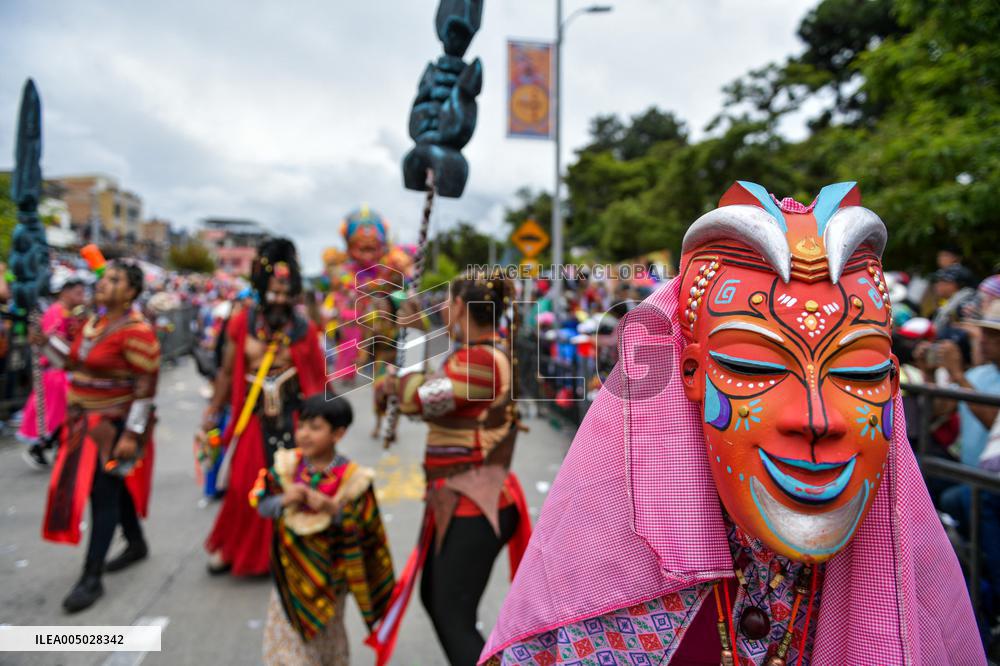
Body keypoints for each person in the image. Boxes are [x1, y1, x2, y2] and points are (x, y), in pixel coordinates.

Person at [481, 181, 981, 665]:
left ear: (891, 384)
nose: (815, 419)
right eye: (754, 368)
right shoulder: (597, 597)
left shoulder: (910, 602)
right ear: (691, 374)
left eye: (857, 374)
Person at [370, 274, 532, 666]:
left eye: (448, 301)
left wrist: (400, 377)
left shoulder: (479, 360)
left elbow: (421, 400)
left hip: (474, 500)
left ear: (460, 306)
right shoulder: (479, 352)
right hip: (461, 495)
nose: (444, 308)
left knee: (452, 614)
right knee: (438, 601)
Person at [37, 260, 159, 613]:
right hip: (82, 424)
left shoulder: (137, 330)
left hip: (113, 427)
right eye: (104, 279)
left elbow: (146, 385)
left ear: (132, 291)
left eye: (115, 280)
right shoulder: (93, 323)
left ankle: (91, 577)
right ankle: (136, 543)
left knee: (101, 493)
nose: (104, 284)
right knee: (112, 487)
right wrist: (46, 343)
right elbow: (74, 364)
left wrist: (132, 435)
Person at [202, 237, 328, 576]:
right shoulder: (242, 323)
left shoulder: (304, 330)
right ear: (261, 289)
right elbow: (228, 372)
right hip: (253, 419)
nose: (280, 299)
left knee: (293, 488)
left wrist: (321, 425)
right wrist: (213, 409)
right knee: (245, 488)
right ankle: (234, 549)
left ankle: (288, 555)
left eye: (286, 293)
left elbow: (317, 379)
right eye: (274, 291)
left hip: (293, 421)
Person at [250, 393, 394, 666]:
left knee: (327, 643)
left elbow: (368, 531)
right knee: (287, 646)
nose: (303, 434)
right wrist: (283, 500)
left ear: (338, 434)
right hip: (288, 576)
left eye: (315, 428)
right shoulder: (286, 466)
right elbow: (260, 504)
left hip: (331, 579)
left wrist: (334, 511)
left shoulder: (353, 478)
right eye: (301, 425)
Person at [20, 268, 86, 468]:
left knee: (64, 414)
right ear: (64, 292)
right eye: (78, 293)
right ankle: (46, 447)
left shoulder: (69, 313)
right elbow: (48, 343)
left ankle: (54, 447)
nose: (82, 297)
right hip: (55, 372)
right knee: (62, 413)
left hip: (63, 371)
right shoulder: (56, 312)